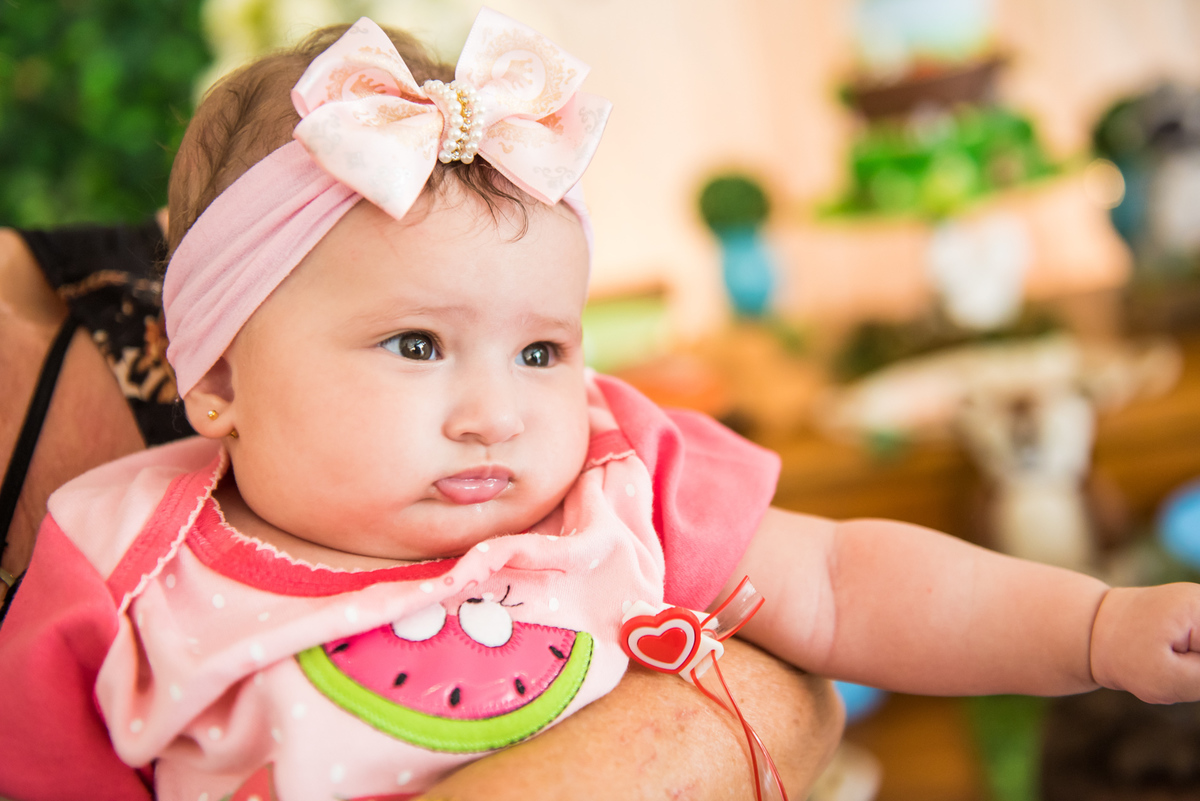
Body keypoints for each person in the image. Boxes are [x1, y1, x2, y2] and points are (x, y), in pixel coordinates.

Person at [3, 8, 1199, 801]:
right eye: (416, 344)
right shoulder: (119, 571)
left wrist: (1094, 629)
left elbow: (844, 582)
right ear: (217, 377)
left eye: (541, 351)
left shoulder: (617, 470)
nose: (498, 413)